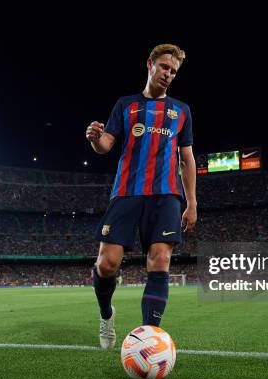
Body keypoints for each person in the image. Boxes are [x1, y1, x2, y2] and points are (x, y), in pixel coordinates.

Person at [85, 44, 197, 349]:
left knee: (160, 258)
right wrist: (96, 138)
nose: (168, 74)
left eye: (173, 71)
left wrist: (192, 203)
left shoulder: (181, 111)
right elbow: (106, 144)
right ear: (149, 64)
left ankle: (149, 339)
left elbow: (187, 159)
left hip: (166, 194)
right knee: (107, 264)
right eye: (164, 67)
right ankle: (107, 313)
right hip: (126, 192)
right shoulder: (126, 105)